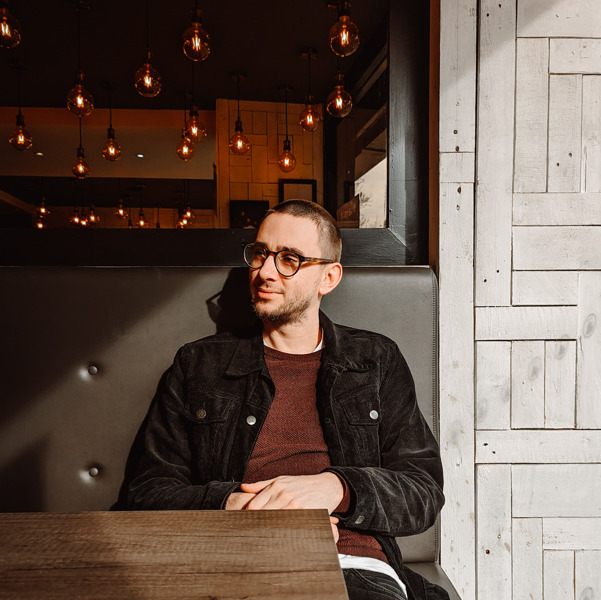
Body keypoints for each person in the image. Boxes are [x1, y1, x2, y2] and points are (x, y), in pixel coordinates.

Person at [124, 200, 448, 600]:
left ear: (329, 277)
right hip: (232, 558)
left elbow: (422, 491)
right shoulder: (199, 364)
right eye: (260, 253)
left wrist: (335, 488)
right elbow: (147, 492)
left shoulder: (376, 360)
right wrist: (238, 506)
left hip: (351, 566)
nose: (265, 271)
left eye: (289, 259)